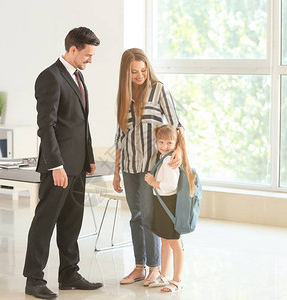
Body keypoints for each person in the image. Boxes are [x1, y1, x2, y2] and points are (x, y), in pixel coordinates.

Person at [23, 27, 102, 299]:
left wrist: (89, 159)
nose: (90, 60)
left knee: (71, 222)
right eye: (88, 55)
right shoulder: (50, 77)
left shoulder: (78, 77)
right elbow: (46, 126)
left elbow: (81, 123)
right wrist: (55, 165)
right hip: (58, 167)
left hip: (78, 166)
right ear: (73, 49)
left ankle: (69, 274)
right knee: (45, 222)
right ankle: (34, 280)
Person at [113, 48, 183, 286]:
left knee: (147, 216)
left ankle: (155, 268)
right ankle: (139, 267)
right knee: (135, 217)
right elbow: (120, 136)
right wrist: (116, 173)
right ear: (126, 72)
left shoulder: (158, 89)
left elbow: (176, 124)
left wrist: (180, 152)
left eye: (143, 70)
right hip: (129, 165)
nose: (140, 75)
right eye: (134, 72)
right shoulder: (123, 95)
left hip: (151, 167)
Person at [144, 125, 196, 292]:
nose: (165, 146)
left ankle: (177, 280)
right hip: (163, 203)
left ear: (176, 143)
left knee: (174, 242)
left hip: (169, 203)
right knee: (165, 239)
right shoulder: (164, 156)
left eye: (169, 143)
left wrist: (153, 183)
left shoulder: (169, 160)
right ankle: (164, 276)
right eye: (161, 142)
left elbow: (170, 186)